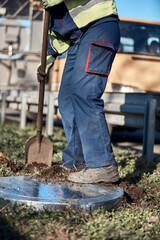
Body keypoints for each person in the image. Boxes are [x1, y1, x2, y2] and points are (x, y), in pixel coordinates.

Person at [39, 0, 120, 184]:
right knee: (66, 98)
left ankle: (102, 165)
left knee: (85, 93)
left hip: (100, 26)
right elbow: (59, 29)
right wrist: (49, 56)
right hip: (78, 39)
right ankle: (75, 161)